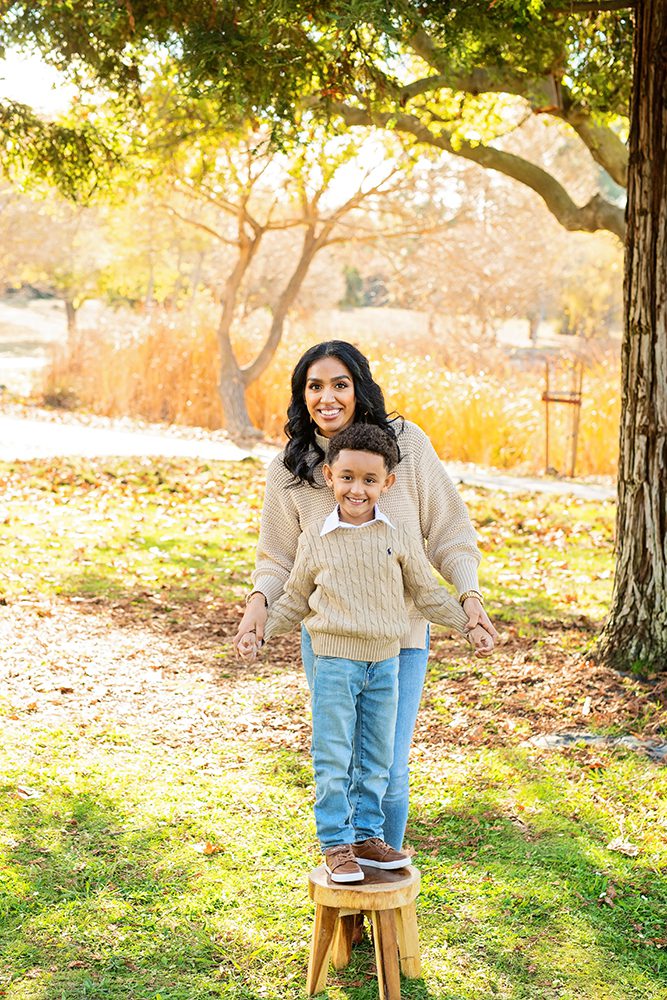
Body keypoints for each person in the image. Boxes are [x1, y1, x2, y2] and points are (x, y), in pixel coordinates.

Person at [234, 340, 498, 851]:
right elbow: (277, 560)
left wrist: (469, 597)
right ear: (301, 395)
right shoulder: (290, 469)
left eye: (340, 384)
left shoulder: (406, 447)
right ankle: (344, 883)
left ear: (359, 388)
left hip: (402, 636)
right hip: (331, 641)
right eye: (314, 386)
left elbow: (449, 531)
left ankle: (378, 888)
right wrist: (258, 606)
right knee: (341, 760)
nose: (327, 397)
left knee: (387, 769)